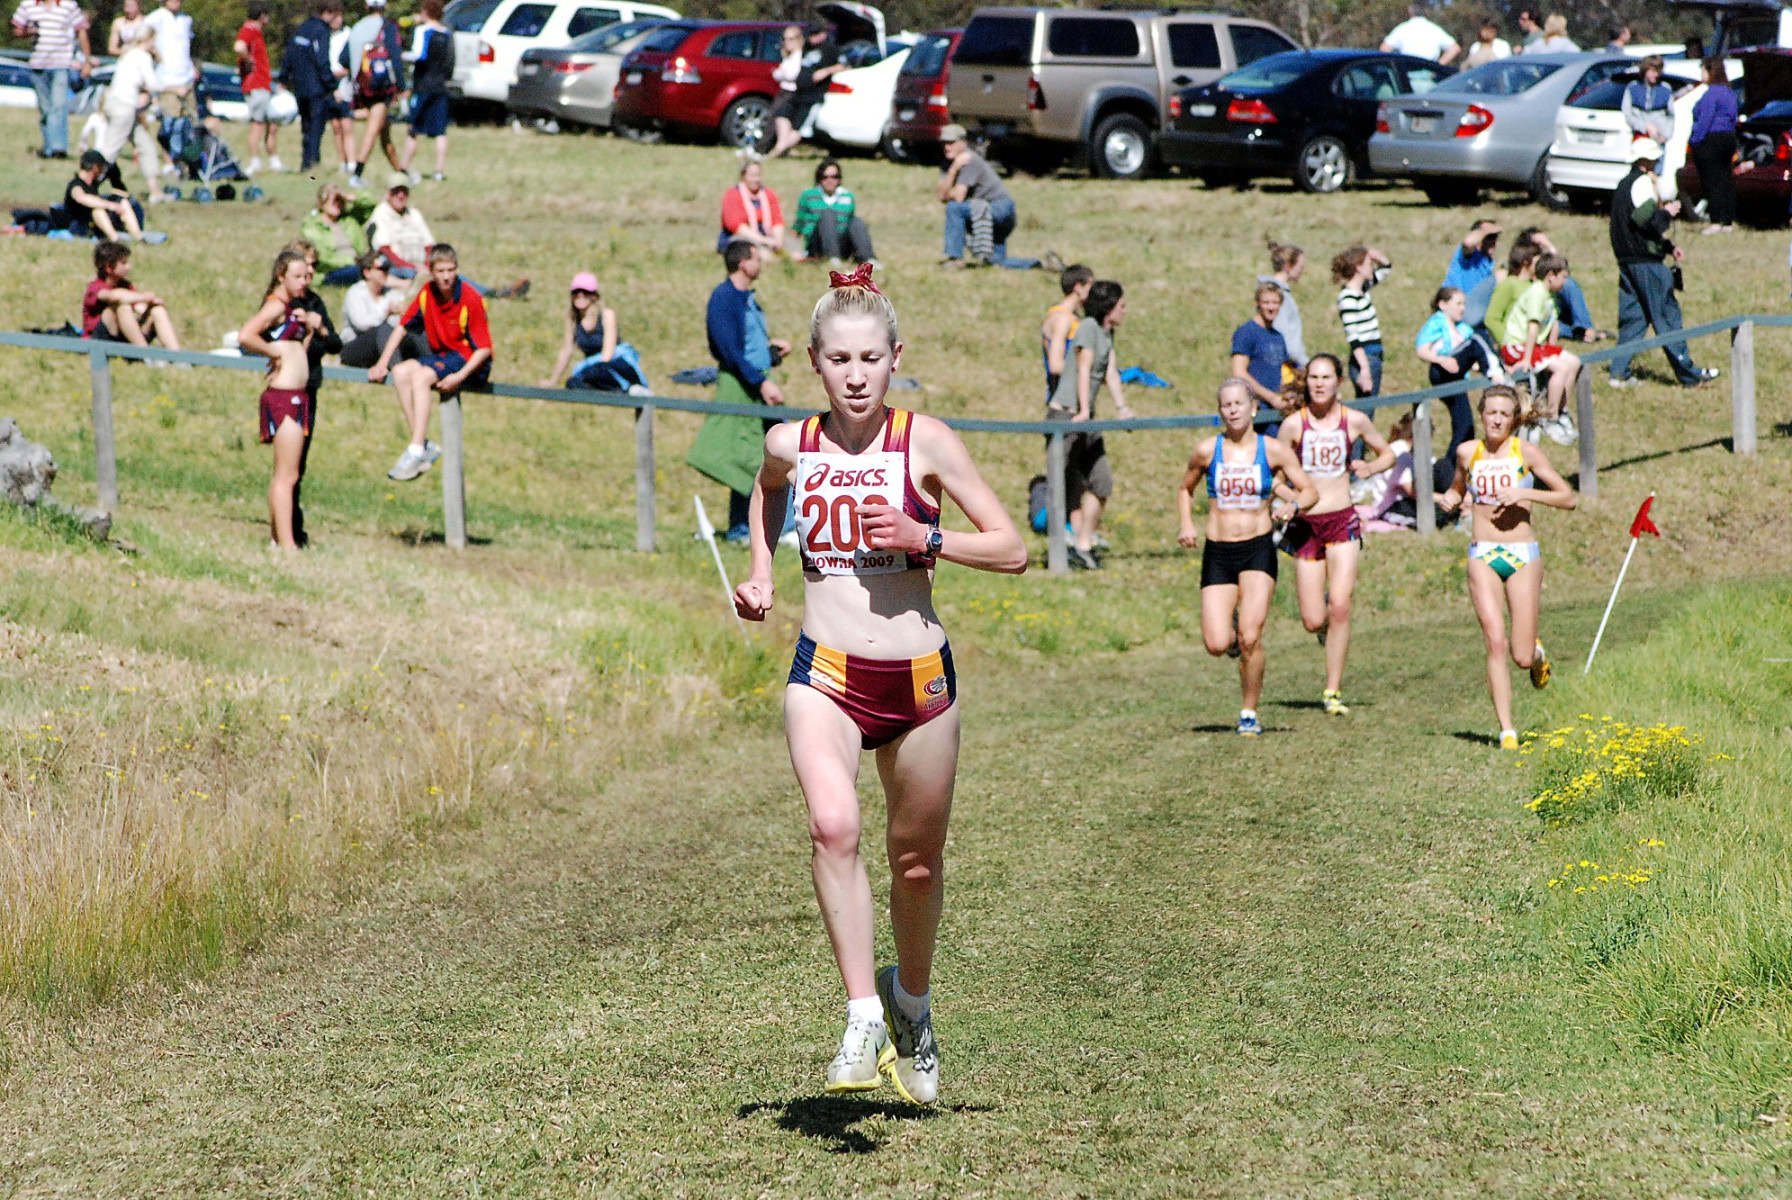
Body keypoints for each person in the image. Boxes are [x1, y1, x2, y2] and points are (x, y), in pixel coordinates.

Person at [731, 264, 1027, 1104]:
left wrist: (921, 535)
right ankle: (861, 1013)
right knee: (833, 827)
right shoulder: (793, 443)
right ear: (816, 364)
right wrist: (761, 575)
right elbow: (766, 492)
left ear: (896, 357)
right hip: (824, 670)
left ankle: (912, 1007)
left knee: (917, 865)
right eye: (838, 360)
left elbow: (1012, 547)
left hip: (920, 680)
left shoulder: (923, 442)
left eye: (871, 358)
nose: (856, 375)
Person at [1176, 378, 1317, 738]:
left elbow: (1309, 490)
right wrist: (1186, 523)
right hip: (1219, 551)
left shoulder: (1272, 451)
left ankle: (1249, 711)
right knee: (1217, 643)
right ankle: (1236, 632)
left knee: (1251, 636)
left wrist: (1293, 506)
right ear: (1220, 411)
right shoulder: (1208, 450)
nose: (1233, 410)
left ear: (1253, 408)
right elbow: (1185, 488)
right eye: (1226, 405)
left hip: (1257, 547)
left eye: (1239, 403)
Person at [1438, 385, 1577, 750]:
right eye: (1491, 412)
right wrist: (1451, 498)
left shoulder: (1526, 452)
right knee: (1494, 642)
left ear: (1514, 418)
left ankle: (1537, 656)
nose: (1497, 419)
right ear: (1481, 415)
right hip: (1482, 552)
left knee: (1519, 654)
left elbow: (1568, 497)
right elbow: (1457, 488)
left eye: (1504, 413)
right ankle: (1507, 731)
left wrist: (1525, 493)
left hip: (1522, 555)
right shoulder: (1468, 452)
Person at [1276, 355, 1395, 716]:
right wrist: (1292, 501)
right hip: (1306, 524)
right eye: (1313, 377)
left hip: (1342, 519)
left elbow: (1387, 453)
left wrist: (1369, 466)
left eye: (1326, 377)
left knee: (1340, 603)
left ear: (1339, 382)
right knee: (1314, 618)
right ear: (1306, 381)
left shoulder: (1354, 420)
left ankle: (1332, 689)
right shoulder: (1293, 426)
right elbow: (1275, 478)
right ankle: (1325, 632)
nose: (1319, 384)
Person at [688, 240, 790, 540]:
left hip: (755, 382)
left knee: (758, 452)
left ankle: (740, 528)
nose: (761, 263)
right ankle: (766, 529)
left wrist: (772, 354)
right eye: (757, 258)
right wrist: (761, 382)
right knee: (747, 454)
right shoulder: (724, 298)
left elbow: (747, 348)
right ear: (744, 263)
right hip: (740, 386)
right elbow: (729, 351)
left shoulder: (747, 298)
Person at [367, 243, 493, 482]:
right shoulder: (427, 294)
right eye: (441, 271)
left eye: (451, 270)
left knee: (422, 376)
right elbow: (402, 326)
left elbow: (484, 349)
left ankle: (414, 450)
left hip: (468, 359)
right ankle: (421, 444)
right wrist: (383, 362)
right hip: (445, 355)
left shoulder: (470, 298)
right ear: (431, 272)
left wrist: (460, 376)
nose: (446, 277)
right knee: (402, 371)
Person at [1608, 138, 1721, 389]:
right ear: (1645, 160)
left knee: (1634, 319)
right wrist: (1667, 213)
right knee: (1667, 317)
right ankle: (1690, 374)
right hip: (1646, 263)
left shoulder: (1623, 185)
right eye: (1655, 158)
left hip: (1627, 261)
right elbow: (1646, 221)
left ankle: (1618, 372)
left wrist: (1668, 247)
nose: (1658, 162)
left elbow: (1630, 226)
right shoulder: (1642, 183)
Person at [1047, 279, 1134, 571]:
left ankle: (1083, 545)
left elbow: (1109, 372)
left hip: (1087, 418)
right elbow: (1083, 369)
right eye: (1121, 305)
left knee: (1101, 482)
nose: (1125, 310)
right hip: (1067, 416)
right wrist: (1083, 410)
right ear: (1109, 307)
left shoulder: (1108, 334)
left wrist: (1122, 408)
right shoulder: (1086, 328)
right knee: (1063, 486)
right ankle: (1059, 551)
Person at [240, 248, 322, 552]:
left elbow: (296, 347)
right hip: (284, 397)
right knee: (286, 475)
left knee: (290, 473)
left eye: (306, 276)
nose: (304, 282)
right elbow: (246, 335)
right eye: (297, 276)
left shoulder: (291, 308)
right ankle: (287, 545)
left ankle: (279, 538)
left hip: (297, 395)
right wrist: (273, 352)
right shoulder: (275, 306)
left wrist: (310, 329)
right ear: (281, 276)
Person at [1415, 285, 1502, 493]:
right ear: (1442, 305)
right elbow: (1421, 349)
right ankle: (1496, 371)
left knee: (1465, 426)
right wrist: (1441, 360)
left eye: (1464, 304)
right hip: (1441, 372)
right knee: (1478, 338)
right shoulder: (1437, 323)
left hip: (1457, 376)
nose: (1463, 308)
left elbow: (1469, 356)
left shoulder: (1462, 328)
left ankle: (1451, 473)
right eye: (1458, 304)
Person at [937, 124, 1043, 270]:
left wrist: (953, 176)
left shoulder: (969, 160)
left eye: (951, 143)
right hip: (988, 213)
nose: (946, 147)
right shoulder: (950, 164)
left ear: (963, 143)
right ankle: (1038, 264)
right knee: (995, 263)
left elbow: (958, 198)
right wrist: (953, 170)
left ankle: (954, 258)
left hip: (999, 210)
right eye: (944, 143)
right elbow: (942, 195)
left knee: (954, 208)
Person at [1501, 251, 1582, 443]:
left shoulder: (1551, 295)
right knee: (1561, 369)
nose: (1565, 282)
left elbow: (1552, 324)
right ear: (1550, 276)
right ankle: (1550, 416)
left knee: (1573, 361)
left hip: (1535, 345)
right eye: (1563, 277)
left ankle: (1563, 411)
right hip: (1518, 345)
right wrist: (1527, 359)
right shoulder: (1537, 293)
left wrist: (1552, 351)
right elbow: (1533, 327)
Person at [539, 272, 648, 393]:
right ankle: (612, 392)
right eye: (576, 292)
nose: (580, 295)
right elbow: (566, 350)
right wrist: (553, 381)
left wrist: (587, 368)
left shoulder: (607, 315)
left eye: (586, 292)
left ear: (594, 296)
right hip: (593, 370)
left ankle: (630, 388)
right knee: (572, 383)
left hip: (616, 366)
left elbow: (608, 355)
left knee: (593, 372)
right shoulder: (572, 318)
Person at [10, 0, 91, 159]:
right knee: (45, 108)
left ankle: (58, 148)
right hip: (38, 63)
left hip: (61, 63)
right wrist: (28, 32)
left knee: (59, 105)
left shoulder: (68, 5)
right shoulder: (29, 5)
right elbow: (17, 29)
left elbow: (81, 31)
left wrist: (87, 61)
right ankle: (49, 147)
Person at [340, 0, 405, 189]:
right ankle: (357, 174)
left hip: (361, 86)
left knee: (385, 133)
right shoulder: (388, 27)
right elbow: (395, 55)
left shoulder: (357, 28)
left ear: (366, 7)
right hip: (381, 87)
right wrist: (401, 86)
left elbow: (343, 58)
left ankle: (402, 173)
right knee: (373, 130)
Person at [94, 27, 162, 193]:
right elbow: (152, 83)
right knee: (110, 151)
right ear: (150, 40)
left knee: (145, 144)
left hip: (115, 104)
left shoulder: (128, 55)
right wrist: (171, 87)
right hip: (124, 106)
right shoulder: (143, 56)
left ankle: (156, 192)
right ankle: (88, 186)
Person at [81, 240, 179, 348]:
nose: (129, 267)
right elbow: (112, 296)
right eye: (124, 263)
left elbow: (138, 306)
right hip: (99, 341)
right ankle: (145, 353)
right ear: (109, 268)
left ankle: (176, 356)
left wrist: (150, 305)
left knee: (157, 310)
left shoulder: (125, 285)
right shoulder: (95, 286)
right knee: (121, 306)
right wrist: (143, 297)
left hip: (123, 337)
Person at [766, 23, 842, 160]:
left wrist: (825, 71)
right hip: (799, 92)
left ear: (823, 34)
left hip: (814, 96)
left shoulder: (830, 49)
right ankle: (781, 146)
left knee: (800, 127)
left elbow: (844, 65)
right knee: (781, 114)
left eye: (814, 34)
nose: (811, 38)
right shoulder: (806, 48)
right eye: (810, 34)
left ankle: (777, 151)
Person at [282, 0, 342, 173]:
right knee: (316, 126)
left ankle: (304, 162)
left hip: (300, 86)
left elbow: (290, 54)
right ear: (328, 12)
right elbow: (322, 60)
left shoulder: (302, 28)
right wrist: (331, 85)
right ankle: (313, 163)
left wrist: (284, 77)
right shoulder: (322, 30)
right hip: (316, 88)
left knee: (306, 126)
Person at [399, 0, 453, 182]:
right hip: (440, 85)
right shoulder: (446, 34)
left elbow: (419, 55)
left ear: (426, 12)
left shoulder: (423, 31)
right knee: (440, 131)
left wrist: (401, 56)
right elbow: (449, 61)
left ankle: (403, 167)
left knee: (413, 128)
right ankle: (439, 171)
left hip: (423, 85)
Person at [1230, 283, 1296, 429]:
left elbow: (1284, 372)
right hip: (1256, 413)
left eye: (1275, 302)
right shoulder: (1247, 332)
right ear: (1257, 304)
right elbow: (1238, 372)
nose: (1271, 307)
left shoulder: (1278, 336)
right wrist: (1271, 397)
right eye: (1266, 302)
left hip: (1277, 413)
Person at [1332, 245, 1391, 399]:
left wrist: (1375, 255)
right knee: (1366, 412)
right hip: (1366, 358)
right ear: (1358, 268)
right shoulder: (1348, 298)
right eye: (1369, 264)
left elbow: (1386, 268)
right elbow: (1354, 339)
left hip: (1374, 356)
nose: (1372, 268)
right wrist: (1364, 370)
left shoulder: (1363, 289)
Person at [337, 248, 413, 368]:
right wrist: (385, 313)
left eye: (387, 269)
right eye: (381, 269)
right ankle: (398, 369)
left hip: (381, 346)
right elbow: (361, 324)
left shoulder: (391, 294)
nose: (385, 273)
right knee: (383, 330)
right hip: (354, 347)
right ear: (367, 272)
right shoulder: (356, 293)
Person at [1689, 57, 1738, 235]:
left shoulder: (1711, 93)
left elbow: (1705, 120)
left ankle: (1715, 220)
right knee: (1726, 179)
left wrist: (1695, 141)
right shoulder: (1730, 92)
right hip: (1728, 138)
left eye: (1703, 70)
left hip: (1712, 139)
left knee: (1712, 181)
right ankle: (1727, 221)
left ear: (1711, 71)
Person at [792, 159, 875, 264]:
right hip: (817, 241)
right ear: (819, 178)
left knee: (856, 221)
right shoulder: (809, 196)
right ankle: (832, 257)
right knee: (827, 214)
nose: (830, 180)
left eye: (834, 177)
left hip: (841, 241)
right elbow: (798, 225)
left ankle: (869, 258)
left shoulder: (847, 197)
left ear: (839, 179)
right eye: (825, 177)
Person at [143, 0, 196, 160]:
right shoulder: (155, 18)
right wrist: (154, 53)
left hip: (186, 77)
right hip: (167, 79)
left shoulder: (186, 19)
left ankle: (188, 161)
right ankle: (169, 161)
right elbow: (140, 38)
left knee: (188, 123)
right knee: (170, 123)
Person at [235, 0, 281, 174]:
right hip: (256, 84)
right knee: (258, 123)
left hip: (262, 83)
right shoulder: (249, 30)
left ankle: (274, 161)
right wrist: (248, 60)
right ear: (262, 16)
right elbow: (239, 47)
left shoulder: (256, 33)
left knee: (271, 123)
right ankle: (255, 162)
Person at [63, 148, 146, 241]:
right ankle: (115, 239)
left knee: (123, 203)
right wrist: (110, 206)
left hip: (94, 224)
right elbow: (81, 198)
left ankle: (139, 238)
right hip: (79, 225)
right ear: (95, 167)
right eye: (101, 166)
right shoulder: (75, 185)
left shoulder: (92, 184)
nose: (103, 170)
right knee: (97, 210)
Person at [300, 182, 373, 284]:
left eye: (340, 200)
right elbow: (323, 258)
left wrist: (348, 196)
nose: (337, 204)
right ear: (322, 203)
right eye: (333, 201)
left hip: (360, 263)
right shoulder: (312, 225)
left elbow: (371, 205)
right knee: (359, 272)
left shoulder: (349, 219)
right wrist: (353, 261)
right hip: (331, 271)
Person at [1042, 262, 1092, 402]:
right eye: (1090, 286)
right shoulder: (1061, 319)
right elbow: (1055, 365)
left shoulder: (1074, 318)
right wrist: (1088, 370)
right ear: (1078, 287)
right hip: (1061, 403)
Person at [1622, 56, 1678, 176]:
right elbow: (1628, 113)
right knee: (1638, 171)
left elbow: (1671, 115)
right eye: (1652, 71)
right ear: (1645, 70)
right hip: (1640, 136)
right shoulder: (1633, 88)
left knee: (1655, 172)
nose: (1655, 75)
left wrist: (1665, 134)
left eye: (1658, 71)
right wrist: (1644, 126)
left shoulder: (1665, 89)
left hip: (1658, 139)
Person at [1256, 239, 1308, 369]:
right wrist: (1305, 364)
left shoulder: (1271, 292)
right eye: (1300, 266)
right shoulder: (1280, 297)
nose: (1302, 270)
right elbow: (1285, 336)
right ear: (1288, 266)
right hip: (1288, 365)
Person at [718, 159, 784, 255]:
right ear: (743, 177)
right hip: (739, 238)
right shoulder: (732, 194)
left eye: (758, 175)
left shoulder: (769, 194)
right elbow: (736, 226)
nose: (756, 179)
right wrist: (764, 240)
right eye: (752, 176)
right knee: (761, 254)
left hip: (766, 237)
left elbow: (777, 220)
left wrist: (778, 240)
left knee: (793, 252)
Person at [1380, 3, 1459, 65]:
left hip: (1407, 72)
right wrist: (1438, 65)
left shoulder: (1402, 28)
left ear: (1410, 11)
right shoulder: (1434, 29)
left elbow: (1384, 48)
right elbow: (1454, 48)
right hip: (1429, 72)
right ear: (1426, 11)